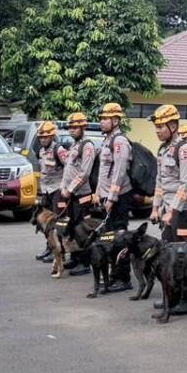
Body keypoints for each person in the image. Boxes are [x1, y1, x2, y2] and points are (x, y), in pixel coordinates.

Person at [150, 104, 187, 312]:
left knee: (185, 257)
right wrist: (156, 207)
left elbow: (185, 184)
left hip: (185, 213)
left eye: (161, 127)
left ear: (173, 125)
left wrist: (173, 211)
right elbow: (160, 182)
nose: (157, 131)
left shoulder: (185, 150)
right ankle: (173, 297)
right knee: (169, 256)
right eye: (156, 127)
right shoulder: (163, 150)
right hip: (169, 212)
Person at [57, 112, 99, 277]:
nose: (71, 130)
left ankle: (84, 262)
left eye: (75, 127)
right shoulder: (73, 146)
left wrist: (70, 189)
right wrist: (63, 187)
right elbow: (68, 171)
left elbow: (84, 173)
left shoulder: (87, 146)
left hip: (81, 196)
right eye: (70, 128)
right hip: (71, 197)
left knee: (83, 230)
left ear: (83, 127)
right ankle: (75, 258)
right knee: (73, 229)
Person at [34, 122, 69, 262]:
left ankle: (60, 252)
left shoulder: (59, 150)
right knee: (45, 223)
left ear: (52, 136)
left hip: (57, 190)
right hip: (46, 191)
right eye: (41, 137)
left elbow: (69, 168)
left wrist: (66, 188)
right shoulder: (40, 151)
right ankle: (50, 247)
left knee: (58, 223)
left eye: (46, 137)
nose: (43, 139)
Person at [96, 102, 133, 233]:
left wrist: (112, 198)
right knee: (107, 233)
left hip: (119, 196)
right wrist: (98, 193)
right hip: (106, 195)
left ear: (116, 121)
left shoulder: (119, 141)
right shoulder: (107, 140)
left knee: (118, 233)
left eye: (105, 119)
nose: (101, 122)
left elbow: (119, 172)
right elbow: (103, 171)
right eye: (101, 119)